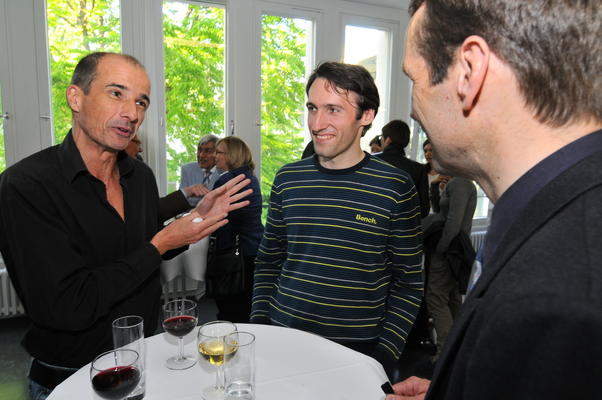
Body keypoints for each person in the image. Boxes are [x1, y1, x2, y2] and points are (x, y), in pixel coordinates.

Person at [0, 52, 252, 399]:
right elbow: (68, 306)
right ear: (75, 97)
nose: (132, 114)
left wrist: (195, 220)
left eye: (141, 102)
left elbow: (141, 246)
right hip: (71, 378)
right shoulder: (27, 186)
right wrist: (159, 245)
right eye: (116, 93)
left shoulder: (140, 177)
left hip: (146, 364)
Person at [389, 0, 602, 399]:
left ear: (469, 71)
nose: (413, 109)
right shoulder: (553, 215)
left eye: (414, 78)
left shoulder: (566, 300)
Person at [250, 61, 423, 379]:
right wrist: (261, 326)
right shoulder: (288, 179)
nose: (317, 123)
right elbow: (268, 262)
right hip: (283, 337)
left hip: (359, 350)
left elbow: (409, 283)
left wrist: (385, 353)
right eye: (312, 108)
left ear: (366, 115)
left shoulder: (395, 186)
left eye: (333, 109)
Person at [211, 136, 263, 322]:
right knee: (247, 305)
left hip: (234, 255)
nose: (215, 156)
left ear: (231, 155)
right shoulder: (250, 177)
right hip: (253, 249)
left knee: (230, 308)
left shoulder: (227, 181)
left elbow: (216, 220)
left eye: (219, 152)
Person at [422, 176, 476, 355]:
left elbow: (454, 222)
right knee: (452, 299)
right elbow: (440, 212)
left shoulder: (460, 183)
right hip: (452, 250)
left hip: (449, 251)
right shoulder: (456, 182)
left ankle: (444, 354)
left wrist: (441, 249)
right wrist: (434, 187)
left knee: (435, 299)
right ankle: (456, 351)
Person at [378, 119, 430, 217]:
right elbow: (424, 210)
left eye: (381, 137)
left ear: (387, 140)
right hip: (404, 225)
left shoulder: (370, 161)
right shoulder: (418, 169)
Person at [179, 134, 223, 207]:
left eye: (208, 151)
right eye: (199, 150)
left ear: (217, 154)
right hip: (190, 213)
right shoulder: (187, 169)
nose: (201, 155)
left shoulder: (224, 171)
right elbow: (181, 200)